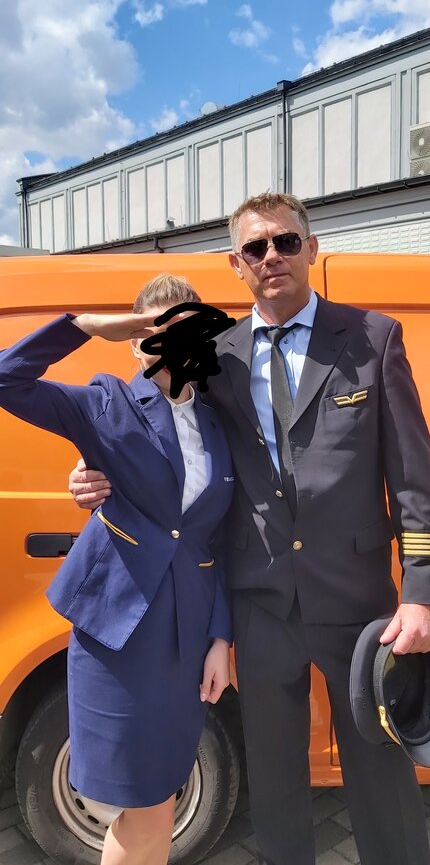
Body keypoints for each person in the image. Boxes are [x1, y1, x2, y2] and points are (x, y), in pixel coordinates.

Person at [69, 193, 430, 865]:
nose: (272, 257)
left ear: (311, 249)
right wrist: (94, 471)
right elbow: (158, 427)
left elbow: (414, 478)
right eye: (255, 248)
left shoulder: (372, 338)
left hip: (359, 606)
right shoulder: (217, 355)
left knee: (382, 775)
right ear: (236, 265)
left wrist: (419, 594)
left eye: (286, 241)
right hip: (259, 606)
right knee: (275, 779)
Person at [0, 274, 235, 865]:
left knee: (161, 798)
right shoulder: (106, 405)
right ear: (136, 341)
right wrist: (84, 326)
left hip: (186, 641)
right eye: (157, 329)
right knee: (143, 804)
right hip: (119, 638)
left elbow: (220, 539)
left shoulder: (217, 419)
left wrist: (220, 638)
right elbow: (7, 378)